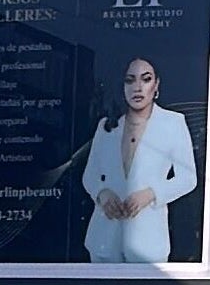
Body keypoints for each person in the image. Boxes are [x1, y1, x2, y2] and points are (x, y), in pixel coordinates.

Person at [81, 57, 198, 263]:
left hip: (148, 241)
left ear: (156, 84)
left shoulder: (172, 123)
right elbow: (90, 175)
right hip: (104, 238)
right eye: (130, 80)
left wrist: (151, 194)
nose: (137, 87)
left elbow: (188, 178)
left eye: (146, 79)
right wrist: (102, 193)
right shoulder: (107, 126)